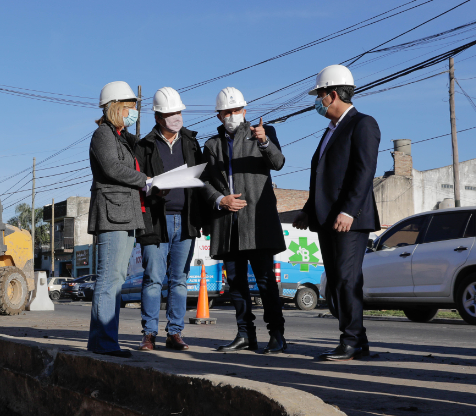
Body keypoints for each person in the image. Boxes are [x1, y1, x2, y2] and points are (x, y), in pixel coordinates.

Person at [292, 65, 381, 362]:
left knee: (347, 280)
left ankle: (352, 340)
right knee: (336, 280)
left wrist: (349, 211)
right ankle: (356, 340)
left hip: (349, 221)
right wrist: (307, 210)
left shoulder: (363, 124)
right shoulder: (329, 131)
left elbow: (363, 172)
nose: (316, 101)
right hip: (327, 220)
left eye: (319, 95)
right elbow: (322, 176)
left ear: (332, 94)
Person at [201, 87, 288, 354]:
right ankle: (244, 334)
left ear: (245, 111)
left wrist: (263, 142)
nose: (232, 116)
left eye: (236, 110)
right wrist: (220, 199)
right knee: (236, 283)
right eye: (227, 112)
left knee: (265, 281)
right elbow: (203, 182)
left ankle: (277, 334)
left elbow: (278, 162)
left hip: (257, 221)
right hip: (228, 223)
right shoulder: (212, 145)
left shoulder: (263, 133)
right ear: (218, 116)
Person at [135, 87, 203, 351]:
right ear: (158, 117)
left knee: (179, 280)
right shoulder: (145, 146)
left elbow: (200, 179)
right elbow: (137, 182)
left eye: (178, 112)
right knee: (153, 279)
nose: (176, 117)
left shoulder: (190, 142)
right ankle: (149, 334)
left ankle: (175, 333)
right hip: (155, 222)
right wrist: (151, 188)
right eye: (170, 113)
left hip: (185, 222)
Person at [86, 81, 148, 358]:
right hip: (112, 214)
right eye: (130, 107)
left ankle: (106, 340)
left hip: (125, 214)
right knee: (108, 279)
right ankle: (103, 342)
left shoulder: (121, 136)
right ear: (116, 107)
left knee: (117, 278)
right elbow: (111, 168)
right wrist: (146, 180)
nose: (133, 112)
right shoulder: (103, 135)